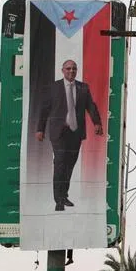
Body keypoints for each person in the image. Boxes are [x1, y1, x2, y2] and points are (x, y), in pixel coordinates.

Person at [34, 59, 103, 211]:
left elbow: (91, 106)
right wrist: (40, 129)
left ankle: (64, 195)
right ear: (62, 70)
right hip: (59, 132)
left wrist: (97, 123)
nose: (71, 71)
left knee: (69, 165)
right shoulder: (53, 87)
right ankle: (58, 199)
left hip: (75, 132)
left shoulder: (83, 88)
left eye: (74, 69)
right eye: (68, 68)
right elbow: (45, 109)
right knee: (60, 163)